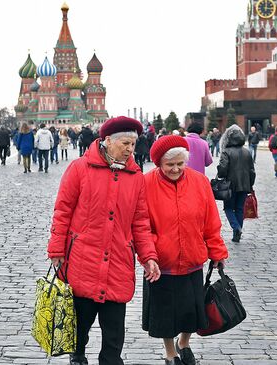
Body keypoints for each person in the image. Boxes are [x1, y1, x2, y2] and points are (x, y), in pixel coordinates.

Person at [48, 116, 161, 365]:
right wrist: (57, 248)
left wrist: (149, 257)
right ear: (107, 140)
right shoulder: (79, 168)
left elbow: (141, 222)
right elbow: (63, 210)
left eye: (133, 144)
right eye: (125, 143)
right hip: (83, 261)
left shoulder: (136, 177)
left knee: (113, 337)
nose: (130, 149)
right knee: (80, 327)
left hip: (118, 263)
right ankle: (77, 356)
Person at [143, 135, 228, 365]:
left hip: (192, 259)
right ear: (159, 163)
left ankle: (185, 342)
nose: (176, 169)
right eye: (170, 165)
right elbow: (141, 226)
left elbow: (211, 221)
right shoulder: (146, 184)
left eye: (180, 164)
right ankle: (171, 353)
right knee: (165, 315)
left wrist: (217, 251)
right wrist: (150, 254)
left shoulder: (200, 182)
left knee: (192, 310)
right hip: (162, 263)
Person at [217, 125, 256, 243]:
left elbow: (223, 170)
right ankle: (237, 233)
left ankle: (236, 228)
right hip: (244, 185)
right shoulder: (247, 152)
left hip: (230, 185)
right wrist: (250, 184)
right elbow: (252, 171)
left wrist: (220, 173)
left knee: (228, 208)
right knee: (239, 209)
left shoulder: (226, 152)